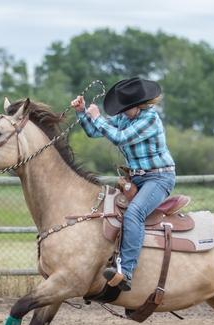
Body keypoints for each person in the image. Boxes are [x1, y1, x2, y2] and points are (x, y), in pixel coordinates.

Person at [71, 77, 176, 291]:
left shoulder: (150, 119)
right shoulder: (125, 118)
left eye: (126, 108)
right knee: (108, 213)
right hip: (136, 179)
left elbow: (120, 138)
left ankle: (126, 272)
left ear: (139, 105)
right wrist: (82, 113)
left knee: (134, 214)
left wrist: (97, 116)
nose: (123, 111)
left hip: (159, 178)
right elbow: (95, 132)